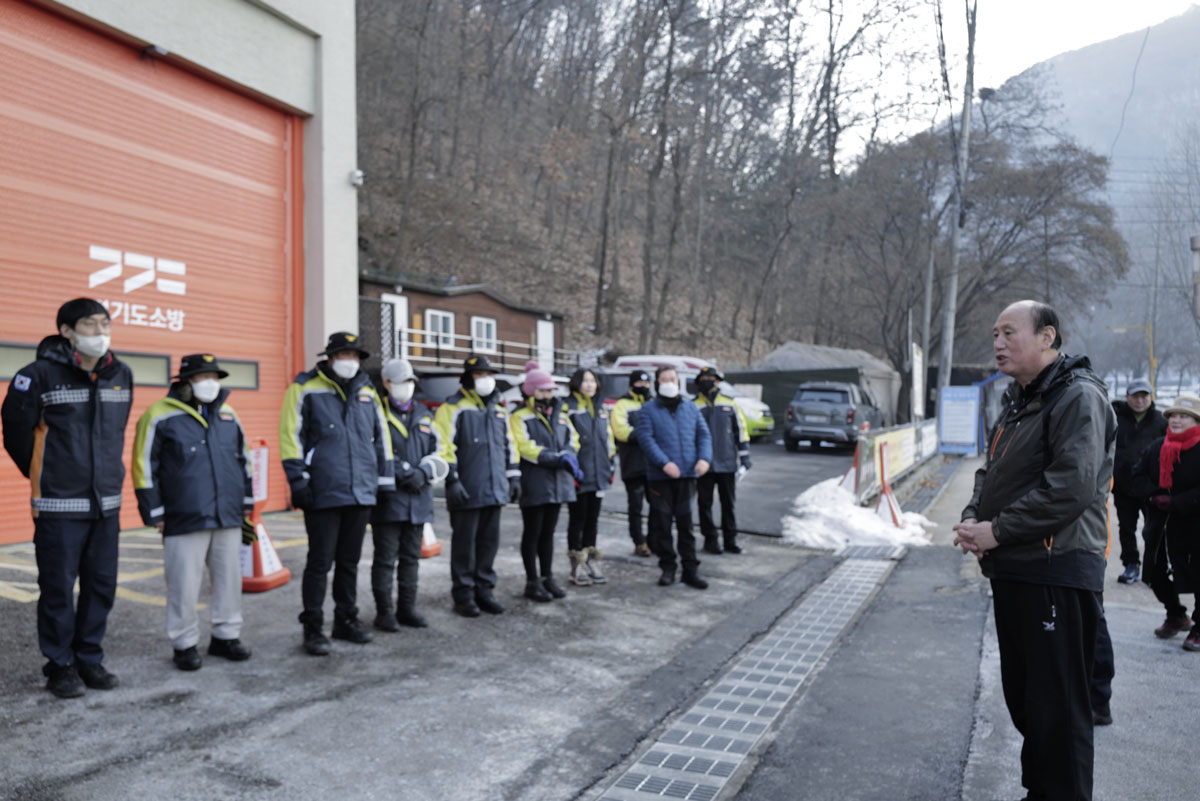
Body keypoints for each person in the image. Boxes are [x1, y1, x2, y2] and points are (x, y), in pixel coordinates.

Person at [953, 300, 1115, 801]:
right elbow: (991, 471)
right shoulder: (1020, 401)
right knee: (1029, 701)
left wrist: (997, 531)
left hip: (1055, 569)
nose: (998, 343)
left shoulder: (1076, 397)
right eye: (994, 334)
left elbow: (1070, 487)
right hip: (1019, 569)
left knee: (1058, 707)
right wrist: (972, 518)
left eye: (1009, 332)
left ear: (1047, 337)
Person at [2, 298, 132, 698]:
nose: (100, 331)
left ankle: (89, 658)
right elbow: (17, 436)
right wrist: (49, 474)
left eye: (104, 323)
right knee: (58, 588)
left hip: (106, 505)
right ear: (66, 331)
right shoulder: (37, 376)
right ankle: (59, 665)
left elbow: (114, 435)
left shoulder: (120, 373)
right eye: (90, 325)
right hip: (59, 506)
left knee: (102, 585)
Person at [133, 354, 254, 671]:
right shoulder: (159, 415)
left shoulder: (228, 414)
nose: (210, 383)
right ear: (185, 381)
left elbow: (244, 460)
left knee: (229, 580)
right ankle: (184, 643)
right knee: (183, 584)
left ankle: (226, 636)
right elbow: (144, 466)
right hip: (183, 516)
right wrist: (154, 511)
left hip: (227, 513)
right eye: (203, 377)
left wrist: (247, 503)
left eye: (215, 377)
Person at [280, 332, 394, 656]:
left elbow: (381, 438)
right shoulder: (304, 388)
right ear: (329, 358)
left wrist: (384, 482)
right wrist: (298, 480)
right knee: (320, 562)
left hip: (360, 492)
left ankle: (346, 620)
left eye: (355, 356)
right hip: (323, 491)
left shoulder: (367, 392)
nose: (350, 361)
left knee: (349, 562)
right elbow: (290, 436)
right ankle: (313, 628)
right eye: (344, 355)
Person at [433, 355, 521, 617]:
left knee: (488, 544)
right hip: (466, 490)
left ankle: (485, 591)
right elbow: (443, 447)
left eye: (488, 374)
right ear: (468, 378)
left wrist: (513, 475)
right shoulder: (452, 407)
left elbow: (509, 443)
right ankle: (463, 595)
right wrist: (452, 480)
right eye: (480, 374)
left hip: (494, 489)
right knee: (464, 547)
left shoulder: (498, 407)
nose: (485, 379)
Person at [370, 358, 438, 631]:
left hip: (419, 498)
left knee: (411, 558)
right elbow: (373, 450)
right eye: (401, 382)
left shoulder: (424, 414)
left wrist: (424, 471)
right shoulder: (377, 412)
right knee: (386, 559)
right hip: (389, 498)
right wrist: (404, 471)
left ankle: (407, 609)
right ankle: (384, 613)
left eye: (410, 382)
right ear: (387, 384)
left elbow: (440, 449)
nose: (406, 387)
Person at [1129, 394, 1200, 650]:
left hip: (1194, 525)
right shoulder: (1158, 447)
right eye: (1173, 416)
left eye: (1184, 416)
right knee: (1154, 572)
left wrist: (1177, 501)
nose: (1177, 420)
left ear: (1195, 421)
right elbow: (1135, 475)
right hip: (1161, 527)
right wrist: (1153, 495)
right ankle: (1176, 615)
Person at [635, 366, 713, 589]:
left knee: (686, 526)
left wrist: (704, 459)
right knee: (663, 525)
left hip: (687, 475)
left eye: (673, 378)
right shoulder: (648, 410)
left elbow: (704, 435)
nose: (669, 382)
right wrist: (664, 463)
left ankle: (690, 570)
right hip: (661, 478)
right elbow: (646, 439)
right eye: (664, 379)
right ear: (657, 382)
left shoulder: (691, 408)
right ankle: (668, 567)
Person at [511, 365, 581, 601]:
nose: (547, 395)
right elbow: (524, 447)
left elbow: (573, 439)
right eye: (541, 391)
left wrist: (569, 454)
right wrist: (556, 458)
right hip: (534, 482)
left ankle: (546, 577)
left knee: (548, 533)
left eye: (549, 390)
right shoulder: (520, 416)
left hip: (558, 482)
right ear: (530, 392)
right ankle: (532, 581)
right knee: (533, 532)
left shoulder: (560, 416)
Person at [1110, 378, 1166, 584]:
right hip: (1123, 486)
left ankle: (1156, 568)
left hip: (1153, 487)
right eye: (1135, 396)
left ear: (1151, 398)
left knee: (1155, 530)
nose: (1140, 401)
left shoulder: (1161, 422)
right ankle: (1131, 564)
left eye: (1144, 396)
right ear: (1127, 397)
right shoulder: (1115, 419)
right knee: (1126, 528)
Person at [564, 367, 616, 585]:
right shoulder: (569, 408)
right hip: (579, 474)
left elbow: (609, 440)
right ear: (576, 383)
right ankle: (577, 566)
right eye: (585, 381)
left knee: (593, 520)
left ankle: (590, 560)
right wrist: (573, 470)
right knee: (578, 519)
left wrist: (610, 466)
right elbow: (567, 442)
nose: (589, 385)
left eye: (592, 381)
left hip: (599, 473)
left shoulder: (601, 408)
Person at [693, 366, 751, 555]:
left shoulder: (729, 404)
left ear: (718, 381)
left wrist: (745, 457)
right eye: (704, 378)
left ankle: (730, 540)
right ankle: (710, 540)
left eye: (711, 378)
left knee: (728, 503)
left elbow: (740, 430)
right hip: (703, 464)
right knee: (704, 504)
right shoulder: (693, 405)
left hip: (726, 463)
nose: (707, 381)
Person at [612, 369, 654, 557]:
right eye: (639, 383)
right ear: (631, 385)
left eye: (646, 384)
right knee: (635, 507)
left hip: (654, 465)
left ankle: (654, 540)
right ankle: (639, 542)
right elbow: (621, 431)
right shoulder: (621, 405)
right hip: (633, 465)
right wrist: (647, 435)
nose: (643, 387)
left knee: (658, 506)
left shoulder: (654, 403)